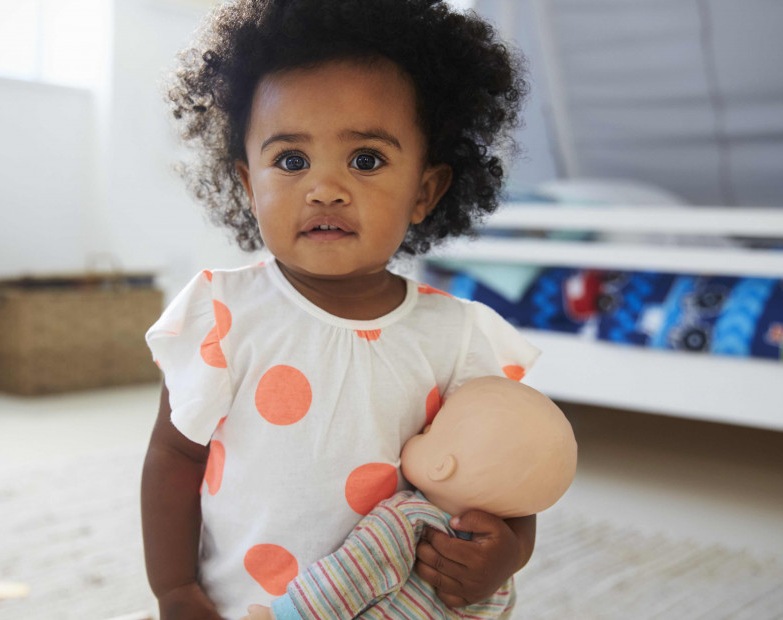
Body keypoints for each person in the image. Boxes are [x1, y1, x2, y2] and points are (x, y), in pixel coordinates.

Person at [141, 1, 534, 618]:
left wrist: (508, 552)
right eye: (291, 161)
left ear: (424, 192)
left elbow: (504, 476)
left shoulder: (458, 338)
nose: (325, 187)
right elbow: (173, 457)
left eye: (366, 160)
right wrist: (175, 590)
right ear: (249, 185)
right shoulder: (222, 312)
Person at [241, 376, 578, 620]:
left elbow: (345, 580)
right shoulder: (499, 581)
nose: (422, 428)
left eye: (431, 428)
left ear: (442, 467)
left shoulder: (408, 518)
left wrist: (281, 616)